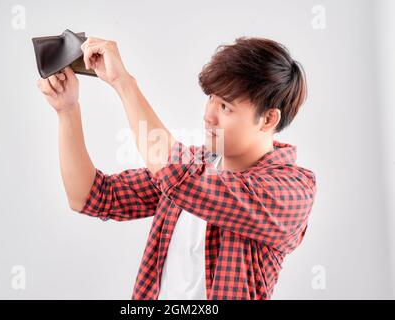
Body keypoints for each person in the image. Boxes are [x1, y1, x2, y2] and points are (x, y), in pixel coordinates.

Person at [36, 35, 317, 300]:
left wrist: (124, 83)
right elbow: (92, 196)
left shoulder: (292, 190)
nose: (208, 116)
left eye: (226, 107)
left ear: (268, 119)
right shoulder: (196, 164)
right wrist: (67, 109)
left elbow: (178, 176)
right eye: (211, 98)